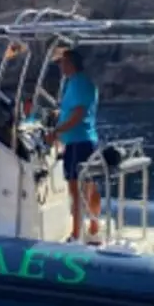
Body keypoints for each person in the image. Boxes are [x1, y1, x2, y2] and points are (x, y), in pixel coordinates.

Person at [46, 46, 101, 240]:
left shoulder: (77, 84)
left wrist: (57, 130)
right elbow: (75, 110)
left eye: (62, 62)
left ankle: (76, 234)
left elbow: (78, 115)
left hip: (77, 143)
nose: (60, 66)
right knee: (90, 185)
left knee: (76, 190)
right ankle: (94, 227)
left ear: (70, 63)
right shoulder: (82, 83)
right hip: (88, 140)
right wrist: (59, 116)